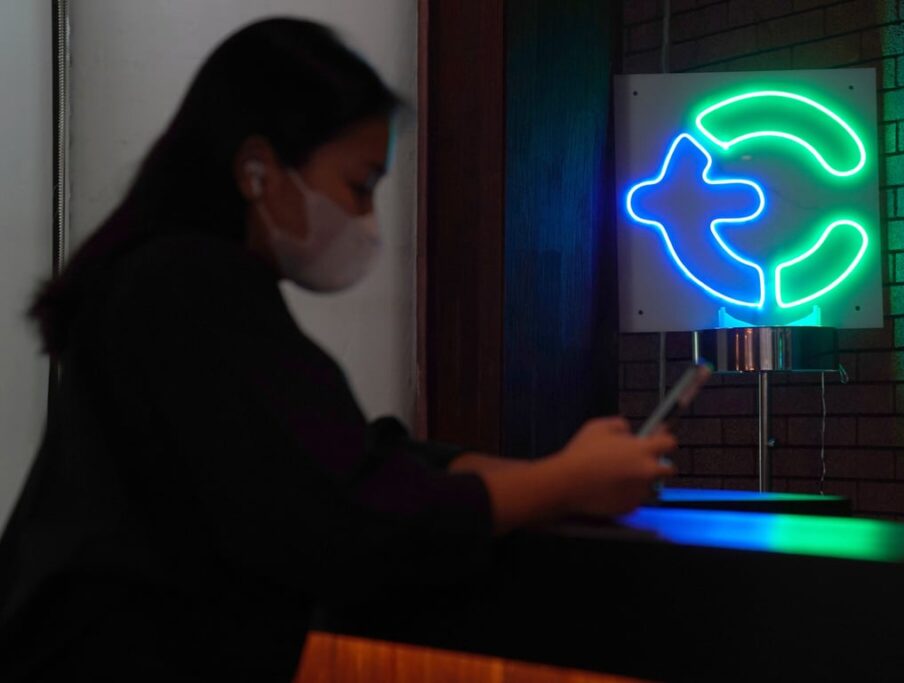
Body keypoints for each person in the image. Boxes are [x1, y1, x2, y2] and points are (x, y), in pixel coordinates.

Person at [0, 18, 696, 682]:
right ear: (257, 169)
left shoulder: (166, 278)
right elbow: (343, 517)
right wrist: (561, 484)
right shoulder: (186, 284)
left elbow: (329, 453)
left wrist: (531, 472)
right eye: (358, 187)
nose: (365, 220)